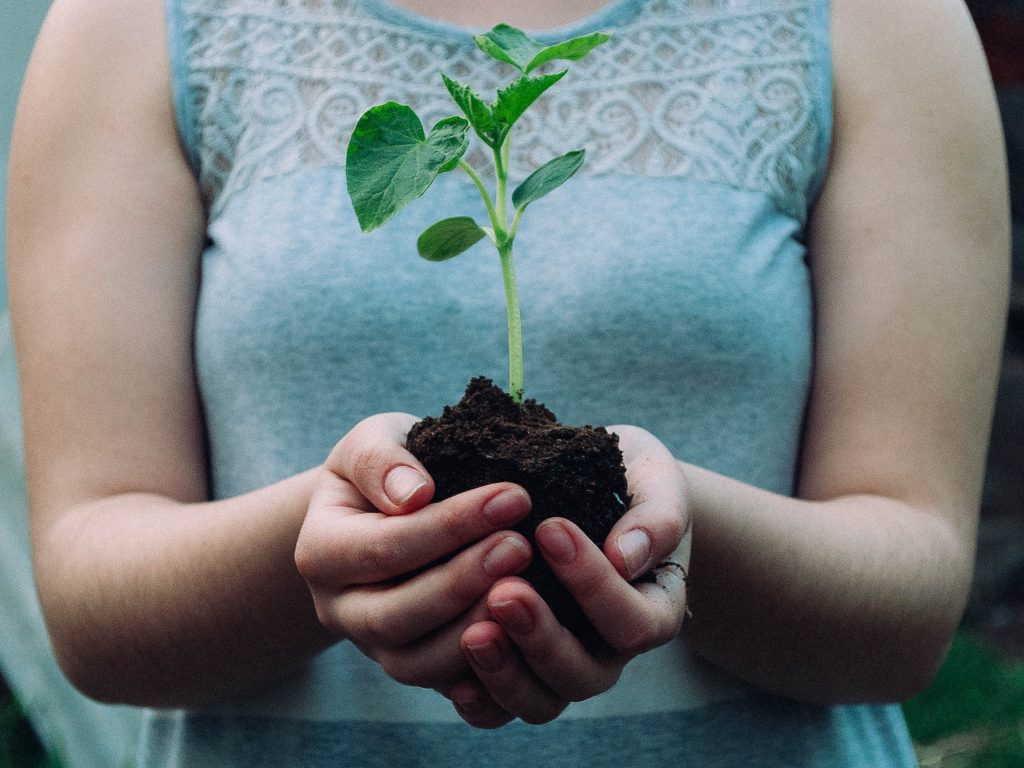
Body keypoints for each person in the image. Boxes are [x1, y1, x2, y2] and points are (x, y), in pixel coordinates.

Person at [5, 0, 1008, 765]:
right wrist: (319, 549)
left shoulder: (877, 20)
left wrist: (680, 529)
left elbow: (906, 608)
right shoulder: (139, 22)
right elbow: (94, 610)